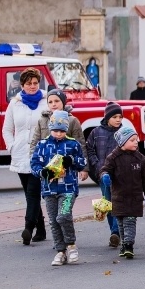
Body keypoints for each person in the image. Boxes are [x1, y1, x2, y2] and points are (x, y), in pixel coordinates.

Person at [30, 111, 87, 266]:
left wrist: (72, 160)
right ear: (50, 128)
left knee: (63, 216)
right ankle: (60, 251)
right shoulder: (42, 145)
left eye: (62, 131)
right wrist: (42, 172)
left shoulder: (73, 144)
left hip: (68, 189)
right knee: (54, 221)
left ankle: (71, 245)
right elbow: (34, 164)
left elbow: (82, 162)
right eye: (55, 130)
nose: (58, 134)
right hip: (49, 190)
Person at [2, 67, 48, 245]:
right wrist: (11, 146)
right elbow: (7, 129)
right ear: (22, 85)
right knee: (29, 193)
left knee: (33, 192)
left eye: (35, 83)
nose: (33, 86)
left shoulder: (45, 101)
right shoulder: (15, 103)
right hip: (20, 153)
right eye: (29, 83)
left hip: (39, 154)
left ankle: (28, 228)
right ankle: (41, 228)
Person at [100, 127, 145, 259]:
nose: (136, 142)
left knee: (130, 221)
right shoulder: (113, 157)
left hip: (134, 197)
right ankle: (124, 243)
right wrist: (105, 176)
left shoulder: (140, 158)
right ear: (122, 142)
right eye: (132, 140)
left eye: (136, 140)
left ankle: (129, 245)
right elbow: (105, 169)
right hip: (118, 197)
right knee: (121, 222)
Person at [86, 102, 124, 247]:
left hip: (121, 174)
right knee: (108, 202)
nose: (118, 119)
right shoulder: (96, 132)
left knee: (119, 203)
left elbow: (132, 149)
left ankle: (117, 232)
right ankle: (114, 232)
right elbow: (89, 149)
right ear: (107, 117)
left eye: (120, 117)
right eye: (114, 116)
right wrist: (97, 165)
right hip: (103, 174)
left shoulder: (124, 132)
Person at [30, 89, 85, 160]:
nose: (53, 104)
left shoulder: (72, 120)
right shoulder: (42, 120)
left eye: (56, 101)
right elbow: (34, 143)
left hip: (66, 165)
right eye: (50, 102)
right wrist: (34, 162)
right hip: (45, 165)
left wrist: (84, 169)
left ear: (63, 102)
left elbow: (80, 145)